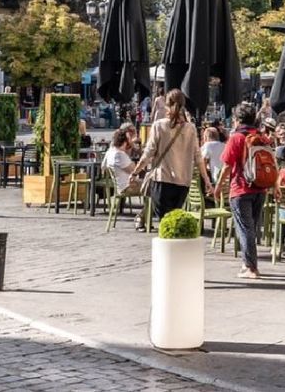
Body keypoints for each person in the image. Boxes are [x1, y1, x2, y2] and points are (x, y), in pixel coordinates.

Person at [131, 89, 212, 221]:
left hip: (163, 178)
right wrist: (207, 181)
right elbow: (198, 157)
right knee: (174, 219)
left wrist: (135, 172)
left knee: (165, 221)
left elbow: (148, 153)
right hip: (183, 181)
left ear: (166, 105)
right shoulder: (190, 128)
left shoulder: (159, 126)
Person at [213, 102, 270, 279]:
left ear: (237, 119)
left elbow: (227, 166)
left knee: (245, 229)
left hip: (240, 188)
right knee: (251, 227)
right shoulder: (261, 136)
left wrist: (218, 187)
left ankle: (250, 267)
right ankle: (249, 263)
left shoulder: (236, 137)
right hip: (260, 188)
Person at [103, 128, 141, 195]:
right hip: (127, 187)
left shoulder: (110, 152)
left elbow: (103, 167)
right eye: (129, 140)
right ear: (125, 142)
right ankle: (151, 205)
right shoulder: (120, 155)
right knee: (151, 186)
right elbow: (134, 170)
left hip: (120, 185)